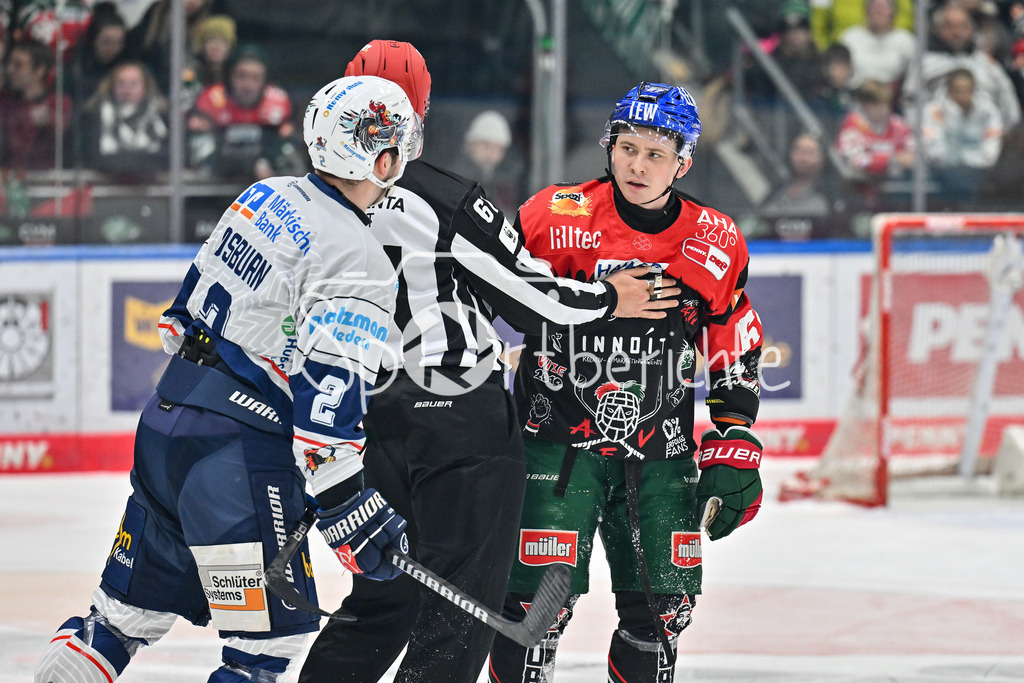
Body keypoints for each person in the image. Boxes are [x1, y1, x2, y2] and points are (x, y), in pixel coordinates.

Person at [299, 41, 681, 683]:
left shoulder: (298, 198)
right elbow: (531, 300)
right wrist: (613, 297)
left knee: (382, 599)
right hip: (457, 422)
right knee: (464, 606)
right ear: (418, 111)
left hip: (359, 419)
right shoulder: (445, 197)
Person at [34, 75, 420, 683]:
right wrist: (353, 509)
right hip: (236, 460)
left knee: (116, 623)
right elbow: (325, 413)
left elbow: (178, 317)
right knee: (265, 648)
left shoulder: (264, 197)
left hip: (168, 423)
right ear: (380, 153)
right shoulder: (360, 257)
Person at [486, 82, 765, 682]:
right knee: (533, 610)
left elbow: (732, 330)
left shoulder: (713, 239)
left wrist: (736, 431)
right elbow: (495, 297)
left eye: (655, 154)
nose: (637, 165)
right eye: (627, 147)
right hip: (556, 444)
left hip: (659, 453)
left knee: (663, 614)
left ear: (683, 161)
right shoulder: (552, 218)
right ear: (608, 146)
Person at [188, 44, 304, 180]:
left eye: (256, 78)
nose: (248, 85)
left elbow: (287, 137)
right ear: (229, 76)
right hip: (218, 181)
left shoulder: (278, 101)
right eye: (241, 76)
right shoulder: (211, 99)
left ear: (265, 80)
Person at [902, 1, 1021, 128]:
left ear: (972, 29)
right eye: (949, 26)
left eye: (963, 26)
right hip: (936, 139)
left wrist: (997, 134)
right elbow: (909, 104)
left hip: (982, 140)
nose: (956, 32)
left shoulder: (988, 65)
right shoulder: (925, 64)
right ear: (938, 29)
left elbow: (1010, 110)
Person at [922, 67, 1004, 206]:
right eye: (957, 90)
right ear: (949, 90)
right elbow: (934, 150)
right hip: (943, 173)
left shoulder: (988, 111)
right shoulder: (934, 111)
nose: (962, 95)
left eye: (967, 90)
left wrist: (977, 161)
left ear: (974, 90)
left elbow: (991, 149)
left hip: (978, 173)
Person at [81, 60, 169, 174]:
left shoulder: (162, 115)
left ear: (145, 87)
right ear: (112, 87)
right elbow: (94, 158)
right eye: (121, 84)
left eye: (134, 84)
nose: (127, 91)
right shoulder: (95, 116)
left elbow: (167, 157)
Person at [0, 39, 72, 171]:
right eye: (9, 63)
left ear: (39, 71)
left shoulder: (59, 104)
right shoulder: (4, 102)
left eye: (18, 65)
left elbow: (66, 142)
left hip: (44, 183)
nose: (9, 69)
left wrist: (49, 122)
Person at [450, 108, 524, 216]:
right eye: (486, 146)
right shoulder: (456, 179)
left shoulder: (507, 180)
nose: (492, 155)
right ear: (470, 144)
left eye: (499, 149)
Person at [838, 0, 916, 91]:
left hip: (894, 99)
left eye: (884, 8)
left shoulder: (906, 41)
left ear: (893, 12)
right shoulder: (849, 39)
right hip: (854, 97)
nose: (879, 12)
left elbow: (914, 78)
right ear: (867, 11)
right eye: (875, 8)